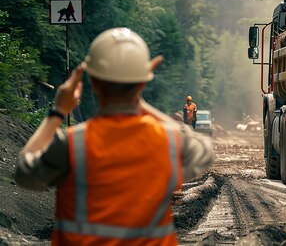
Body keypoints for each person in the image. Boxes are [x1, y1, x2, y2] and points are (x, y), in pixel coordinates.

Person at [15, 27, 214, 245]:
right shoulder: (170, 140)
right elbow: (205, 150)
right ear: (142, 83)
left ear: (94, 82)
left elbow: (25, 173)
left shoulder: (71, 144)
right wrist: (139, 97)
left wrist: (58, 112)